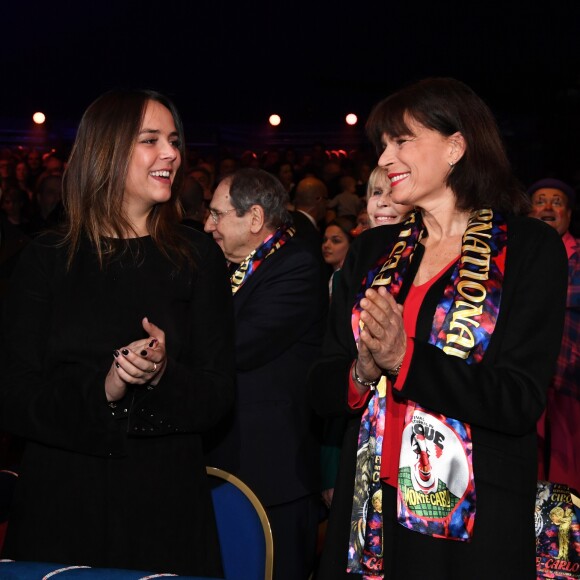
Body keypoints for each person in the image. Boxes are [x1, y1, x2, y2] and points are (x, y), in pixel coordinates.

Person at [309, 77, 568, 579]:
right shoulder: (371, 251)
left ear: (456, 146)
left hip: (471, 519)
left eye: (402, 141)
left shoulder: (530, 250)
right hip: (368, 507)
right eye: (383, 145)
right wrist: (361, 370)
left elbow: (518, 398)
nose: (385, 158)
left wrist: (406, 360)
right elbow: (321, 386)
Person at [0, 89, 235, 577]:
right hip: (61, 505)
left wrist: (161, 375)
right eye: (150, 140)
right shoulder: (46, 259)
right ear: (105, 151)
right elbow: (14, 397)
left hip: (165, 506)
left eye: (173, 140)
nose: (170, 153)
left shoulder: (197, 257)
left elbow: (218, 396)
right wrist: (104, 389)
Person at [203, 168, 326, 580]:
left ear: (254, 219)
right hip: (227, 463)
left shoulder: (297, 266)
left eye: (218, 215)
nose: (208, 225)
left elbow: (240, 345)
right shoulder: (226, 267)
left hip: (274, 474)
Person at [528, 178, 580, 493]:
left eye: (557, 201)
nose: (548, 207)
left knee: (567, 484)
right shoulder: (516, 258)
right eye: (540, 200)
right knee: (529, 481)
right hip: (527, 383)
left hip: (569, 388)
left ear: (569, 215)